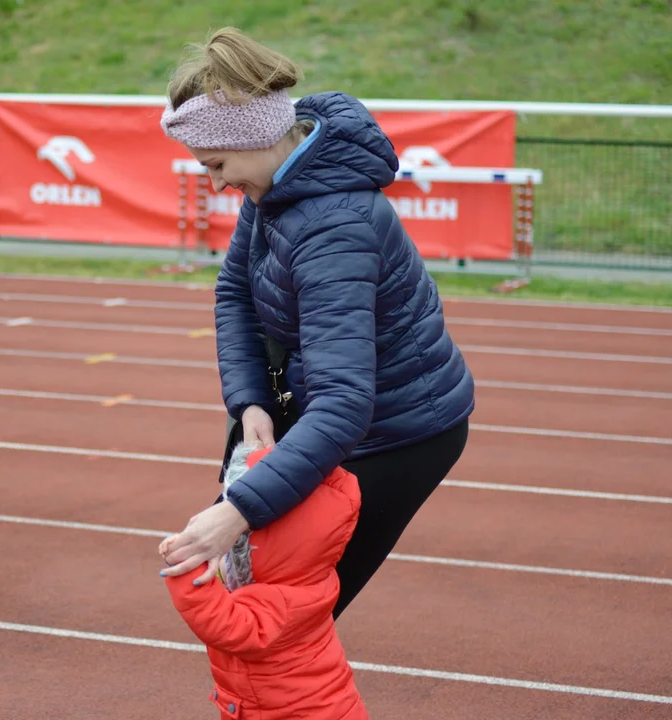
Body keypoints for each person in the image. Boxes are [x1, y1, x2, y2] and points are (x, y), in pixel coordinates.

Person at [157, 26, 474, 620]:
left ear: (254, 137)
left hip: (396, 434)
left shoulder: (334, 228)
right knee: (254, 607)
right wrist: (251, 405)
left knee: (284, 618)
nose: (217, 183)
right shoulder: (276, 186)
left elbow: (345, 404)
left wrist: (235, 511)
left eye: (218, 163)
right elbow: (234, 293)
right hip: (334, 410)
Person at [162, 443, 369, 720]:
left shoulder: (280, 603)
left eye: (238, 540)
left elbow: (224, 624)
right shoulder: (308, 576)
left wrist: (187, 568)